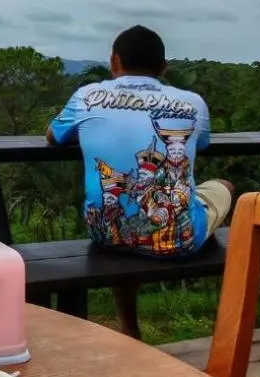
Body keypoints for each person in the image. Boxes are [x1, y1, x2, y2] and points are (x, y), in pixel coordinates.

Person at [46, 25, 233, 339]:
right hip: (178, 240)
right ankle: (227, 306)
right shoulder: (193, 102)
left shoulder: (86, 96)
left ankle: (130, 327)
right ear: (163, 67)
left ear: (114, 61)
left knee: (127, 226)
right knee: (224, 187)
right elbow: (201, 144)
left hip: (104, 232)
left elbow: (53, 136)